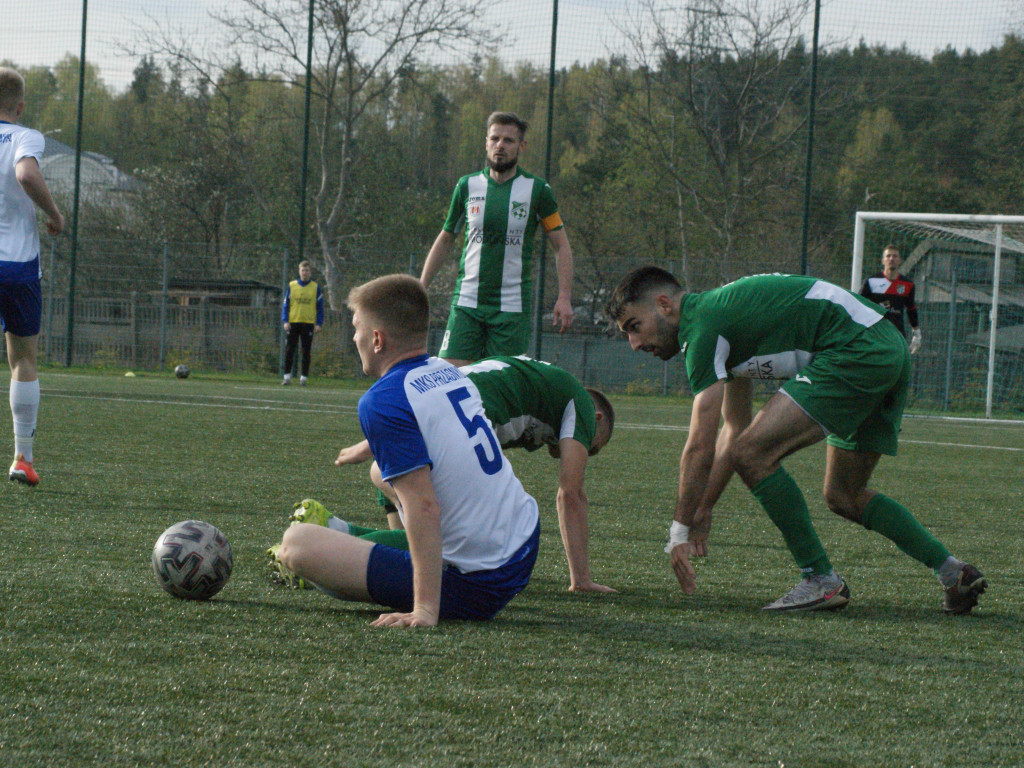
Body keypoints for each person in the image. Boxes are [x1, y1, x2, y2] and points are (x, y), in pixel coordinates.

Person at [606, 266, 986, 614]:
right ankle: (953, 572)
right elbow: (733, 428)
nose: (634, 343)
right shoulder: (721, 319)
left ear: (664, 305)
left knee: (754, 454)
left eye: (634, 326)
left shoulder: (702, 328)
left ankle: (820, 579)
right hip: (885, 347)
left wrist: (678, 531)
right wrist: (703, 507)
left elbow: (700, 447)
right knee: (844, 495)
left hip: (856, 350)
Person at [277, 274, 540, 627]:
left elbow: (424, 506)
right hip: (524, 539)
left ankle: (378, 551)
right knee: (379, 472)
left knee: (296, 545)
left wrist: (425, 609)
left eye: (356, 328)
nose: (354, 338)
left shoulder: (383, 400)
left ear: (377, 339)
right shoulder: (449, 372)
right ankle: (373, 541)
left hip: (481, 580)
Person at [322, 355, 616, 593]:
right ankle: (334, 543)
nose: (585, 452)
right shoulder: (580, 404)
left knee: (397, 481)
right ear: (596, 418)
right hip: (452, 404)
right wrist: (581, 579)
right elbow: (570, 494)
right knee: (453, 540)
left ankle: (347, 540)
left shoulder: (544, 386)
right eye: (592, 446)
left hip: (437, 392)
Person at [420, 111, 575, 366]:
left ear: (521, 146)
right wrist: (421, 287)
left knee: (501, 380)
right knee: (454, 377)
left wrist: (564, 297)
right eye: (495, 138)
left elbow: (561, 246)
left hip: (511, 308)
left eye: (508, 140)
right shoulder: (466, 186)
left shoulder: (537, 190)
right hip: (467, 302)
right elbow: (446, 238)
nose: (500, 145)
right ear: (486, 143)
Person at [0, 68, 65, 486]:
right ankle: (22, 459)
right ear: (20, 105)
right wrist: (54, 214)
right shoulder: (25, 136)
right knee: (23, 359)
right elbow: (26, 174)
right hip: (16, 264)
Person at [860, 244, 921, 354]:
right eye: (888, 256)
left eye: (895, 256)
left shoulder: (908, 284)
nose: (891, 259)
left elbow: (911, 309)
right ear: (883, 260)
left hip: (897, 334)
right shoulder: (871, 281)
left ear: (899, 261)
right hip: (875, 334)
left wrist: (916, 334)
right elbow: (858, 305)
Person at [281, 260, 323, 385]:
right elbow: (286, 305)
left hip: (308, 323)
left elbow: (320, 307)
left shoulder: (315, 287)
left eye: (307, 270)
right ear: (299, 272)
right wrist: (285, 320)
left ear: (310, 272)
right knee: (289, 350)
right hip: (293, 322)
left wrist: (318, 323)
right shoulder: (292, 285)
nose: (305, 273)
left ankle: (303, 378)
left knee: (306, 351)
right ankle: (286, 377)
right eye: (303, 270)